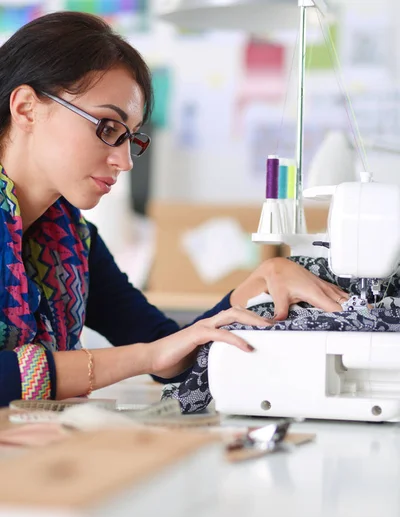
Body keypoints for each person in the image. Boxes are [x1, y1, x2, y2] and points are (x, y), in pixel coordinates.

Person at [0, 11, 348, 406]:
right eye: (108, 128)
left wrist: (254, 288)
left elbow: (169, 350)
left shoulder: (70, 243)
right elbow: (151, 354)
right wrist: (146, 356)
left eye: (130, 138)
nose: (125, 160)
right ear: (27, 108)